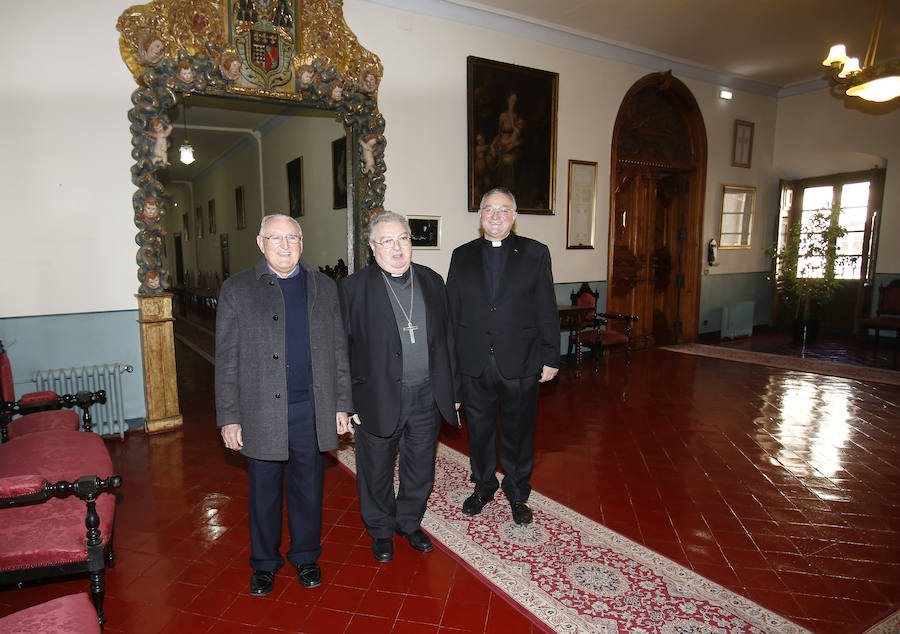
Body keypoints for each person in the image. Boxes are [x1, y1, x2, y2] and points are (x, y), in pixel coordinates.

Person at [215, 214, 353, 597]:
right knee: (264, 491)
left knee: (309, 488)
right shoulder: (237, 289)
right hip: (260, 410)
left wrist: (341, 404)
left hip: (311, 407)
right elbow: (227, 359)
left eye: (292, 237)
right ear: (261, 243)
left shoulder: (324, 287)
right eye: (276, 238)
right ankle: (264, 564)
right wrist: (229, 417)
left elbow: (339, 350)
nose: (285, 245)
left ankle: (306, 556)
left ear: (301, 242)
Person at [339, 211, 460, 563]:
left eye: (403, 239)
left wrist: (452, 393)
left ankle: (409, 522)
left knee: (420, 466)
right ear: (372, 247)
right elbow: (340, 349)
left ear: (411, 242)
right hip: (375, 396)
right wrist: (346, 403)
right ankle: (380, 529)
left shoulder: (432, 281)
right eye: (387, 241)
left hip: (427, 394)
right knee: (375, 470)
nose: (397, 248)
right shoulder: (352, 288)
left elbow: (447, 341)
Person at [446, 187, 559, 526]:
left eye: (504, 210)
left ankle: (517, 490)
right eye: (489, 210)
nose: (495, 216)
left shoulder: (536, 253)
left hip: (521, 361)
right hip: (474, 361)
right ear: (480, 216)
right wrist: (451, 366)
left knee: (519, 431)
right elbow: (451, 312)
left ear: (514, 216)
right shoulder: (461, 255)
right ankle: (483, 486)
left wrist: (551, 356)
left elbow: (546, 308)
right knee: (479, 431)